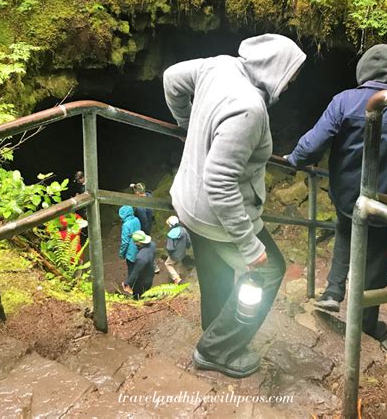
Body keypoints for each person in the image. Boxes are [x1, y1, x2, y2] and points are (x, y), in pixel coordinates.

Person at [163, 34, 306, 378]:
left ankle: (213, 330)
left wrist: (186, 121)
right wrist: (247, 242)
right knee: (270, 270)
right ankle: (216, 350)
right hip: (216, 215)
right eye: (289, 78)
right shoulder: (249, 109)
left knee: (216, 273)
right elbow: (220, 181)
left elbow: (170, 78)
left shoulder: (217, 65)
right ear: (273, 70)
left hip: (186, 203)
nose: (288, 87)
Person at [284, 44, 387, 342]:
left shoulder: (343, 101)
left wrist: (293, 161)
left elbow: (313, 143)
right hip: (386, 203)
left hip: (347, 197)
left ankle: (333, 290)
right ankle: (366, 321)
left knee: (346, 231)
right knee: (379, 261)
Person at [130, 182, 160, 273]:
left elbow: (143, 220)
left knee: (144, 246)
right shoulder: (149, 196)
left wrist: (141, 233)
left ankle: (153, 266)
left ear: (138, 193)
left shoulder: (140, 208)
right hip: (149, 224)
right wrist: (134, 187)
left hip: (143, 228)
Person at [122, 230, 157, 298]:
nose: (134, 243)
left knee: (138, 296)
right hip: (150, 274)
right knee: (147, 291)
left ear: (139, 243)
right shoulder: (152, 244)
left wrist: (127, 283)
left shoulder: (141, 257)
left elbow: (135, 273)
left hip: (142, 281)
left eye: (135, 242)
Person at [165, 215, 191, 285]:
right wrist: (187, 247)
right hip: (182, 252)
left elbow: (169, 248)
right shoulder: (183, 230)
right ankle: (177, 274)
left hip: (174, 255)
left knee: (168, 264)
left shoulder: (170, 235)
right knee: (178, 262)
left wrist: (170, 253)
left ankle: (176, 278)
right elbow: (188, 241)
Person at [118, 205, 141, 281]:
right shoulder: (136, 219)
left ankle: (132, 287)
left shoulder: (126, 225)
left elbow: (125, 242)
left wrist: (122, 253)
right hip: (139, 247)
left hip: (130, 251)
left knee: (131, 269)